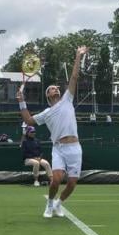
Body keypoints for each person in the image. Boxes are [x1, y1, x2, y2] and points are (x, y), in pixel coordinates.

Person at [17, 45, 87, 219]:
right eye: (51, 88)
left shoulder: (67, 100)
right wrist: (21, 102)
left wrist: (78, 55)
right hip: (59, 149)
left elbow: (74, 76)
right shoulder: (46, 113)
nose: (55, 88)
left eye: (56, 87)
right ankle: (49, 204)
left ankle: (58, 204)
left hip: (75, 148)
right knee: (56, 179)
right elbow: (28, 121)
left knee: (72, 183)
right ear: (48, 96)